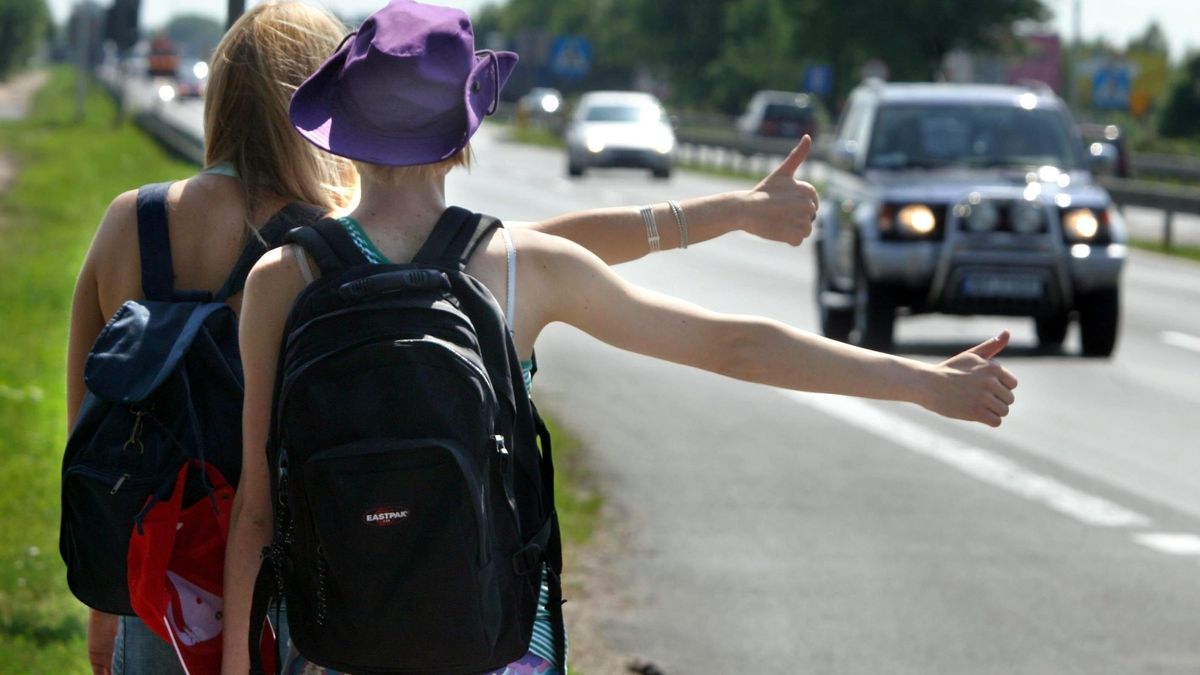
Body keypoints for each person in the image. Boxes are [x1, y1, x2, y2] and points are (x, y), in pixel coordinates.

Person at [222, 1, 1018, 673]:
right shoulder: (515, 265)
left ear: (346, 129)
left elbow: (256, 513)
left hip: (335, 641)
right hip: (493, 640)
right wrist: (921, 381)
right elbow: (733, 344)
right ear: (465, 133)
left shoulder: (281, 277)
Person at [67, 3, 825, 673]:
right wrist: (728, 212)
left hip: (162, 575)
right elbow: (539, 251)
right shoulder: (332, 240)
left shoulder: (133, 223)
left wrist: (104, 604)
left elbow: (90, 438)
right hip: (330, 575)